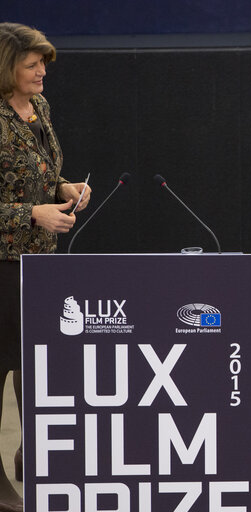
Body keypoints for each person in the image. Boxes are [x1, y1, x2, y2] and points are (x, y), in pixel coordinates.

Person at [0, 22, 91, 512]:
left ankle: (33, 458)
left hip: (38, 265)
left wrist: (63, 189)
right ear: (5, 67)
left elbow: (43, 173)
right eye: (32, 65)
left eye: (44, 65)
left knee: (34, 371)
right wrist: (31, 212)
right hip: (1, 267)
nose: (41, 73)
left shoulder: (40, 109)